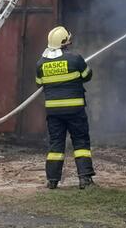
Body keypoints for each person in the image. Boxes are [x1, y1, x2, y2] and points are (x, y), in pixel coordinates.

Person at [35, 25, 95, 189]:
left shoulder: (41, 63)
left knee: (56, 145)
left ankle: (52, 180)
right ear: (64, 42)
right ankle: (85, 179)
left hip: (54, 113)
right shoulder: (75, 58)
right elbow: (87, 76)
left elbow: (39, 83)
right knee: (81, 142)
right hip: (75, 111)